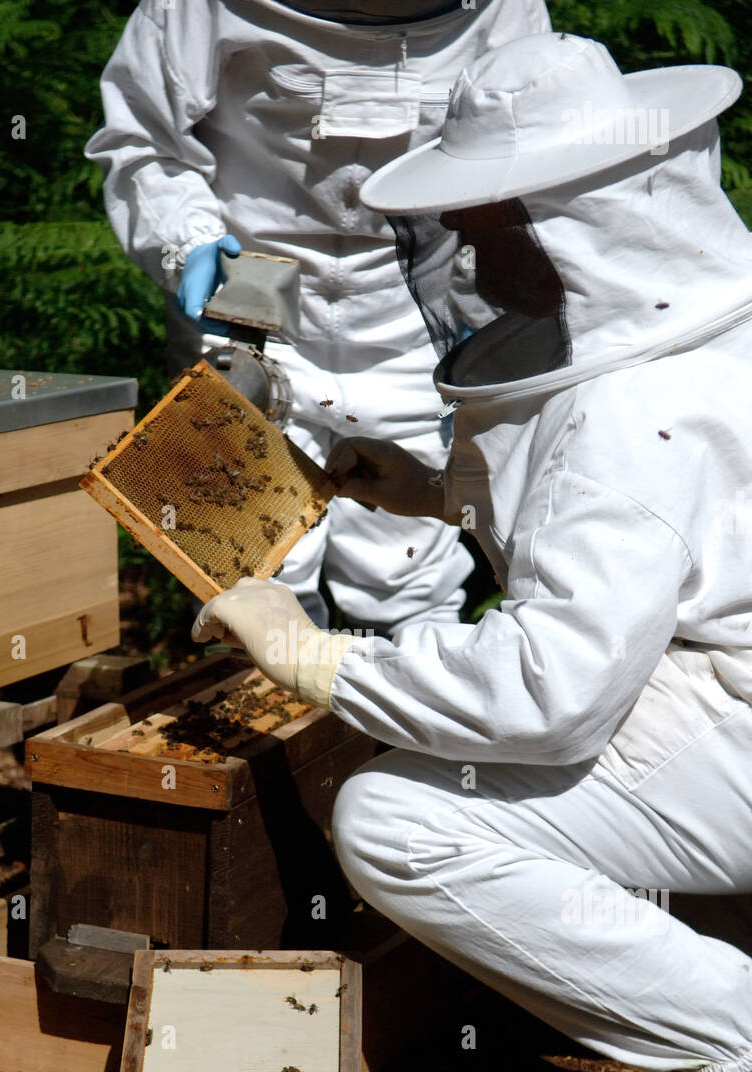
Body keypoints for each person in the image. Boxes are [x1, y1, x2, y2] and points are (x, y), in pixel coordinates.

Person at [192, 32, 752, 1072]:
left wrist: (311, 654)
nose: (465, 252)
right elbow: (647, 545)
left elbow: (544, 694)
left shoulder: (626, 420)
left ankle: (729, 1049)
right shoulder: (703, 330)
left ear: (572, 220)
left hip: (734, 724)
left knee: (399, 820)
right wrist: (433, 491)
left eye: (488, 222)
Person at [85, 0, 551, 634]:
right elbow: (142, 136)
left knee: (406, 581)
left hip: (414, 325)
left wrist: (490, 296)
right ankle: (257, 720)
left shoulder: (501, 11)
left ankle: (396, 729)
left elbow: (523, 160)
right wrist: (186, 238)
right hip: (246, 310)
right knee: (247, 581)